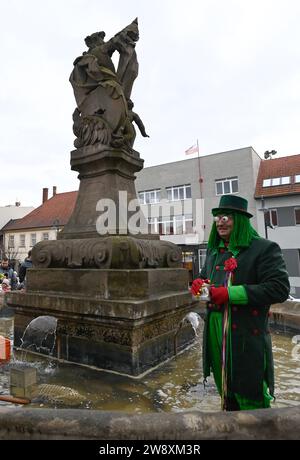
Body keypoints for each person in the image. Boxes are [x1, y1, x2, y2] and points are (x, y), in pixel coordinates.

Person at [191, 195, 290, 411]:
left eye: (226, 217)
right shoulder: (213, 251)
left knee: (249, 388)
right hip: (215, 328)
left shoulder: (264, 248)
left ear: (240, 220)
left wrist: (229, 294)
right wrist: (199, 283)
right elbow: (206, 277)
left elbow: (279, 288)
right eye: (217, 217)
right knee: (224, 386)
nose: (220, 221)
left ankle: (257, 428)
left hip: (244, 331)